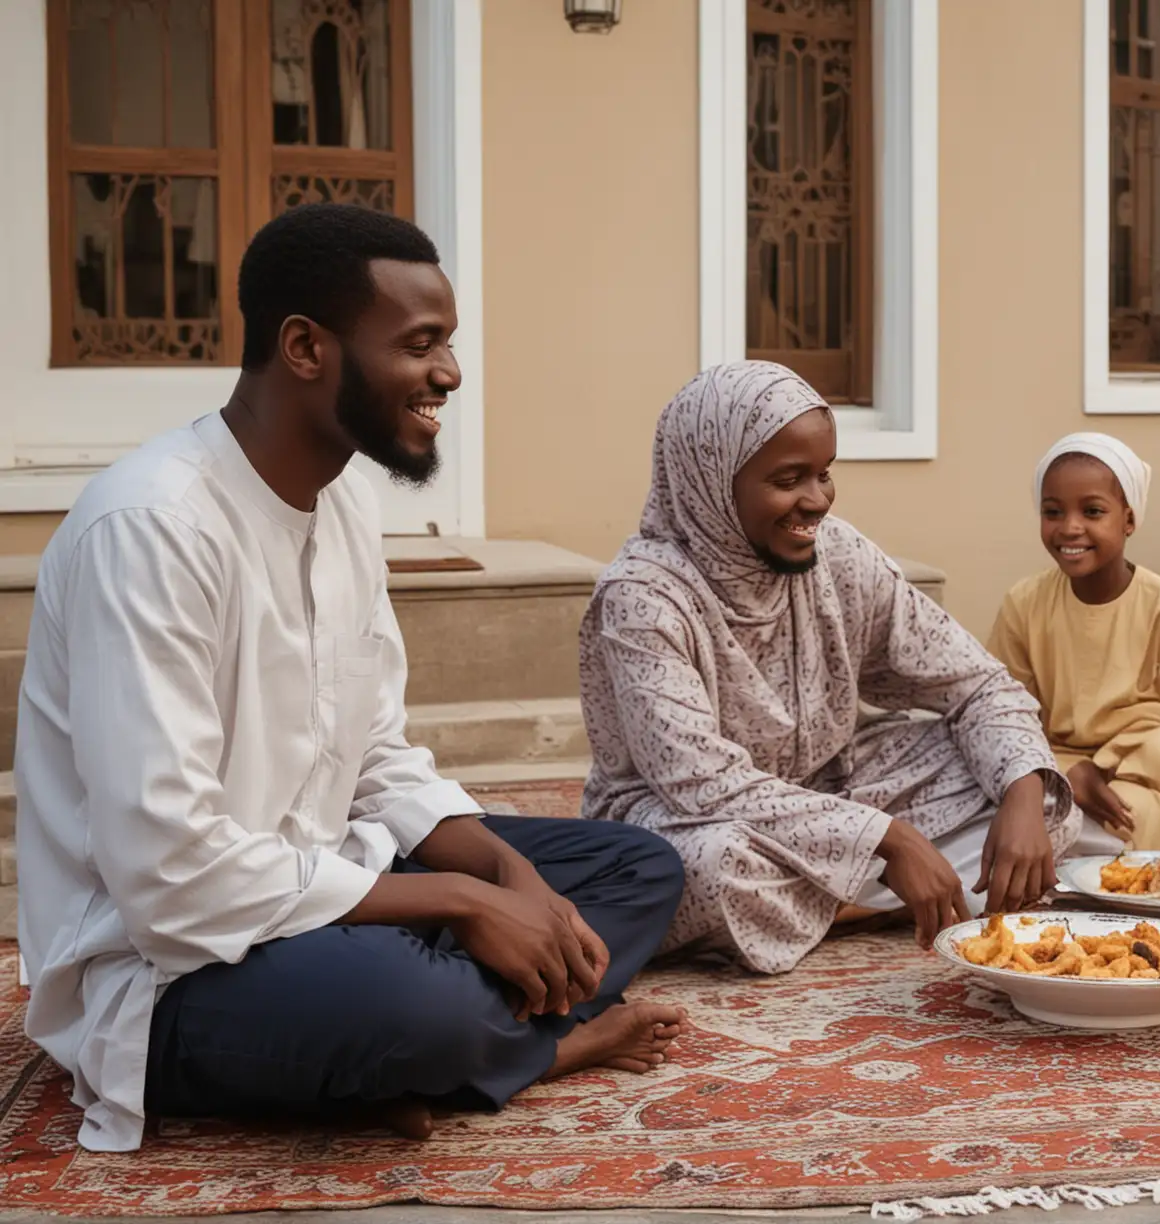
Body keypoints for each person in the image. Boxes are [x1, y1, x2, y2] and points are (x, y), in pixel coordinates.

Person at [13, 205, 687, 1153]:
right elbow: (173, 879)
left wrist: (505, 871)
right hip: (171, 971)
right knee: (415, 1005)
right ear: (304, 348)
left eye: (447, 345)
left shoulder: (345, 506)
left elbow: (375, 754)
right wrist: (460, 903)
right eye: (420, 345)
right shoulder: (152, 528)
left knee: (636, 866)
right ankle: (525, 1047)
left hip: (327, 882)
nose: (448, 373)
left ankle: (400, 1062)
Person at [577, 362, 1075, 971]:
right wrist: (886, 840)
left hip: (829, 787)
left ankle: (833, 906)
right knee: (709, 865)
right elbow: (699, 783)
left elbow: (977, 684)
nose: (816, 501)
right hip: (687, 817)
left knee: (1032, 797)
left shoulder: (837, 553)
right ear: (711, 481)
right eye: (788, 480)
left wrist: (1022, 795)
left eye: (824, 474)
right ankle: (877, 899)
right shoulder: (643, 597)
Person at [987, 433, 1160, 855]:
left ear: (1128, 520)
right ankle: (1090, 817)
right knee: (1117, 813)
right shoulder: (1025, 603)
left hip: (1145, 762)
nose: (1071, 528)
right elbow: (1008, 716)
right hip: (1057, 760)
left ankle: (1094, 817)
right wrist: (1066, 770)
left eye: (1092, 511)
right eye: (1053, 512)